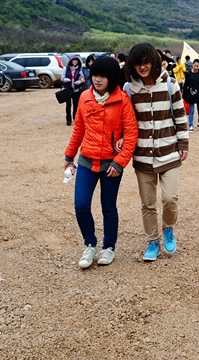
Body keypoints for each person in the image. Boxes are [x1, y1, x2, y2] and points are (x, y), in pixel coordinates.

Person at [64, 56, 138, 269]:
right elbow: (78, 129)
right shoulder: (85, 98)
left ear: (112, 78)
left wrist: (120, 162)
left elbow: (132, 133)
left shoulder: (123, 100)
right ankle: (90, 244)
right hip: (87, 160)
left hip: (111, 165)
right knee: (81, 205)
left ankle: (109, 246)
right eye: (95, 74)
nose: (97, 79)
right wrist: (69, 156)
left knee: (108, 208)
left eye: (103, 76)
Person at [124, 43, 189, 262]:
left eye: (146, 62)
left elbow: (180, 117)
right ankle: (152, 241)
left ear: (154, 61)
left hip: (169, 152)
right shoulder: (129, 89)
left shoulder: (170, 85)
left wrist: (183, 144)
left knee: (170, 198)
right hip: (142, 155)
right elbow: (126, 122)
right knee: (148, 203)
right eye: (138, 63)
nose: (142, 67)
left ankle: (168, 229)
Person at [183, 58, 199, 132]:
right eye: (195, 66)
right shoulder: (188, 73)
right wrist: (184, 94)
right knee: (191, 110)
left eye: (197, 66)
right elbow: (186, 84)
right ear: (192, 65)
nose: (196, 67)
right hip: (191, 93)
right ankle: (191, 125)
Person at [63, 55, 87, 126]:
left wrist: (78, 82)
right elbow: (62, 78)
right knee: (68, 105)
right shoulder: (66, 69)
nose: (75, 62)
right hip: (68, 89)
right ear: (71, 61)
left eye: (76, 60)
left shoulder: (79, 69)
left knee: (76, 105)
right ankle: (68, 120)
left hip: (76, 90)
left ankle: (75, 118)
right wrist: (67, 80)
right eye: (74, 60)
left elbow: (82, 79)